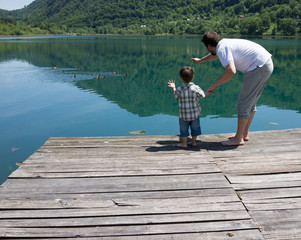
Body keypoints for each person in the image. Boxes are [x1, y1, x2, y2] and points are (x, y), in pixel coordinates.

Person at [191, 31, 273, 146]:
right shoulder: (224, 44)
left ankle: (238, 139)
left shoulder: (222, 48)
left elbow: (231, 71)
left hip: (258, 67)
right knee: (250, 102)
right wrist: (200, 60)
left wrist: (214, 85)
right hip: (265, 63)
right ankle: (244, 134)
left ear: (209, 46)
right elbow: (215, 55)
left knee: (243, 104)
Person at [168, 66, 206, 148]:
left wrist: (173, 88)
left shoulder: (179, 89)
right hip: (194, 114)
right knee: (195, 128)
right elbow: (203, 95)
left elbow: (176, 97)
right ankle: (193, 142)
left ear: (181, 78)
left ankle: (184, 143)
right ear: (193, 77)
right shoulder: (196, 88)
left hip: (183, 115)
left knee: (183, 129)